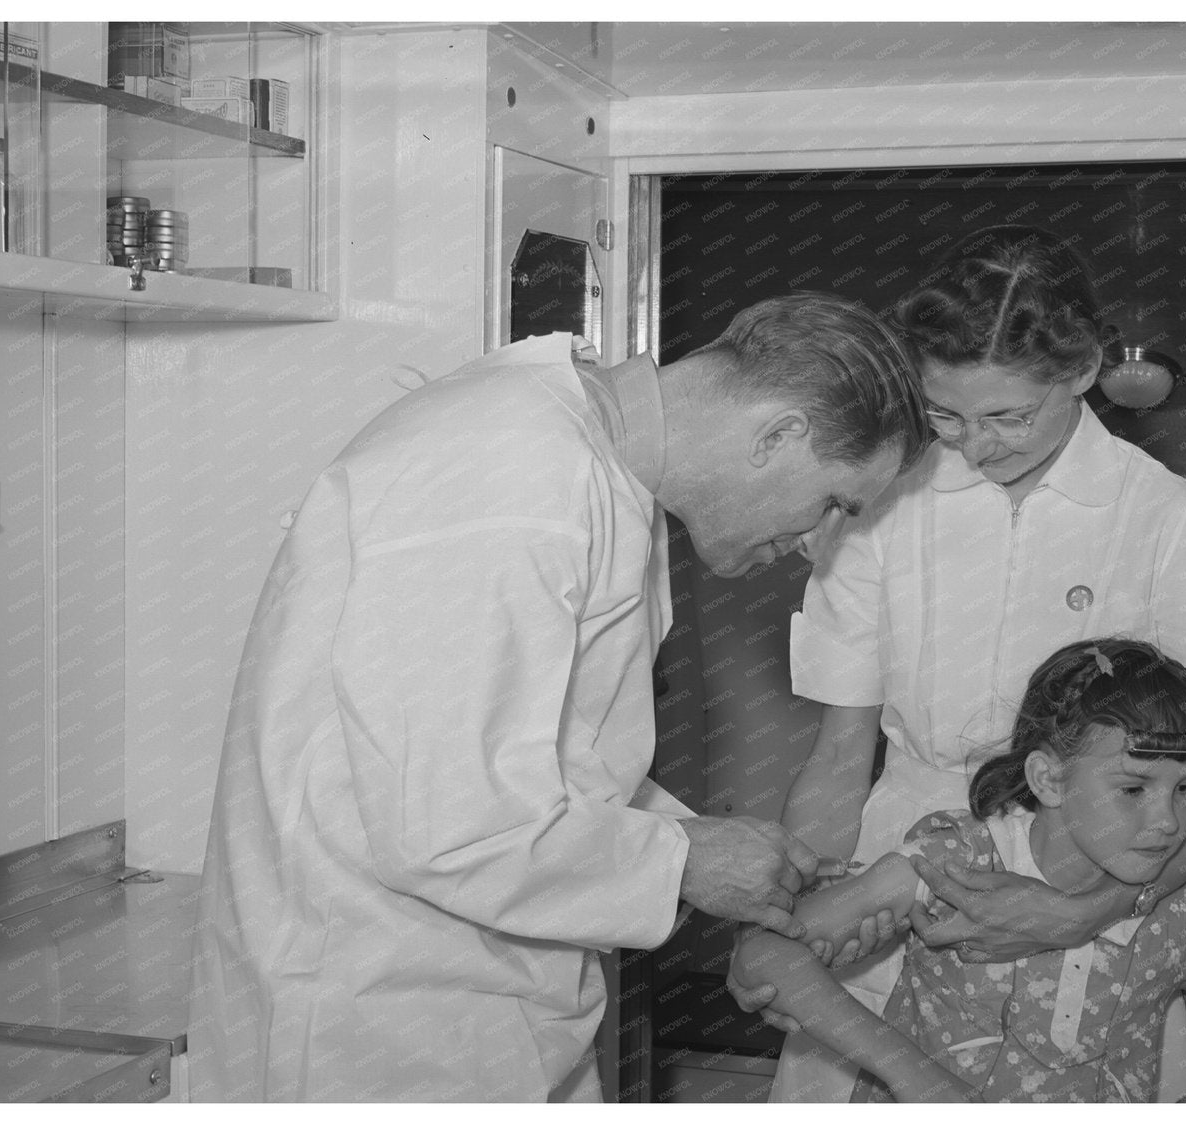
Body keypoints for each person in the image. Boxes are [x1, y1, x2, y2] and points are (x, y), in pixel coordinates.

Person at [186, 293, 932, 1102]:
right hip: (373, 1025)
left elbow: (548, 770)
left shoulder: (597, 477)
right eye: (834, 504)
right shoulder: (506, 475)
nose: (816, 546)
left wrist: (706, 842)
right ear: (777, 434)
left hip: (485, 1003)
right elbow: (447, 823)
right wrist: (687, 862)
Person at [738, 226, 1186, 1102]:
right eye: (945, 414)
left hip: (1102, 901)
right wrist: (796, 920)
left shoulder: (1177, 522)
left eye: (1007, 416)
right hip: (894, 884)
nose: (975, 446)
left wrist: (1084, 912)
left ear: (1082, 371)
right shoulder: (881, 508)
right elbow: (841, 757)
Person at [732, 639, 1186, 1103]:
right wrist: (918, 1081)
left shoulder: (1183, 910)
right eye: (1133, 788)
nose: (1167, 821)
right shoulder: (954, 865)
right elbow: (765, 954)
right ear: (1049, 779)